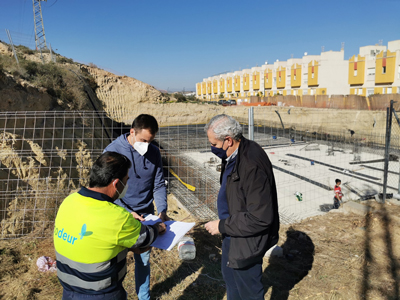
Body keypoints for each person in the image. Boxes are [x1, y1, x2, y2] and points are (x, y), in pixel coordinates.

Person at [54, 151, 166, 300]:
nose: (126, 184)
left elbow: (94, 236)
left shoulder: (69, 201)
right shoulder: (117, 217)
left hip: (68, 291)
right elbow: (144, 241)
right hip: (102, 294)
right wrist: (158, 227)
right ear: (116, 184)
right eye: (126, 180)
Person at [204, 114, 280, 300]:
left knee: (248, 292)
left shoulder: (251, 164)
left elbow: (260, 218)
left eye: (214, 144)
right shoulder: (236, 153)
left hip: (246, 241)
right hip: (234, 232)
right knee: (233, 284)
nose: (212, 148)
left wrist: (220, 225)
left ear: (228, 140)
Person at [103, 114, 168, 300]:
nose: (146, 145)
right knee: (115, 260)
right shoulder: (113, 152)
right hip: (118, 213)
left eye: (150, 141)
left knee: (143, 258)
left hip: (145, 215)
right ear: (132, 132)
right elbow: (107, 189)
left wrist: (162, 210)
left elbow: (158, 185)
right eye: (143, 140)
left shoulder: (154, 152)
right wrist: (127, 212)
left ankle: (144, 297)